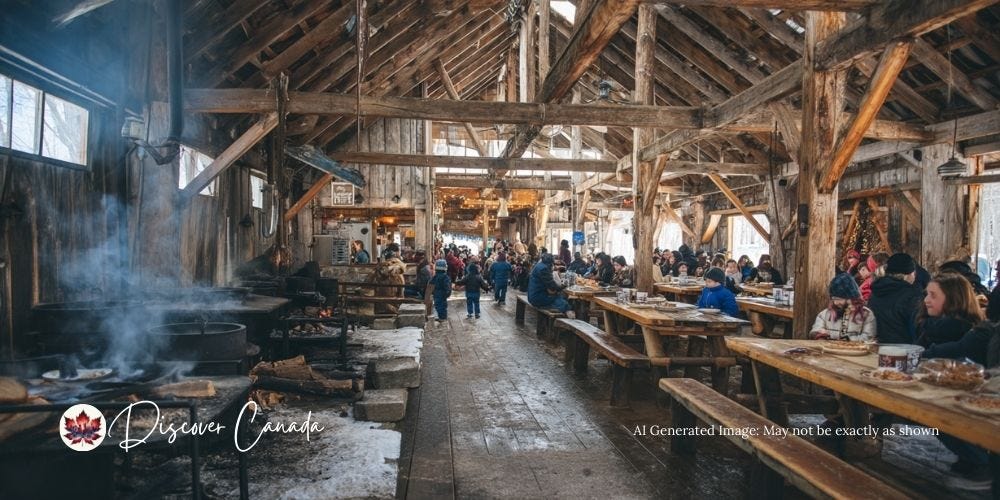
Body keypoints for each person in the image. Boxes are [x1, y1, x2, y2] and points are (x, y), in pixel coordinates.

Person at [917, 272, 985, 349]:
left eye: (933, 295)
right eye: (927, 294)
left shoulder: (968, 335)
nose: (926, 300)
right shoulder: (929, 327)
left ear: (953, 299)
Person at [867, 253, 923, 344]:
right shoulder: (912, 295)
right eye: (914, 272)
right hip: (903, 350)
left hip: (877, 347)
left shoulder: (875, 291)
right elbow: (917, 329)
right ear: (908, 274)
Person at [809, 273, 876, 341]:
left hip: (855, 351)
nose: (835, 302)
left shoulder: (866, 315)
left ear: (850, 297)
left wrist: (848, 340)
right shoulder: (825, 314)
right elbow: (816, 329)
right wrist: (820, 335)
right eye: (833, 298)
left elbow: (868, 337)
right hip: (829, 351)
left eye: (839, 299)